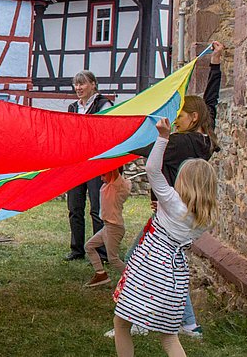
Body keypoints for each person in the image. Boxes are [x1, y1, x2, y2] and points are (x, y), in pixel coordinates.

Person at [106, 41, 225, 339]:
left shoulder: (182, 142)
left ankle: (139, 317)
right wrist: (215, 65)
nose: (176, 118)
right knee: (173, 266)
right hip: (183, 211)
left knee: (142, 259)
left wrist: (115, 138)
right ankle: (189, 323)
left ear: (193, 118)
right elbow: (211, 103)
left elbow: (149, 154)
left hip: (171, 211)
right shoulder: (204, 138)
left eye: (181, 114)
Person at [112, 118, 217, 357]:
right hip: (174, 277)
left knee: (121, 323)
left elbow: (152, 169)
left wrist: (162, 137)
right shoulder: (204, 218)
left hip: (148, 270)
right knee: (169, 338)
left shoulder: (171, 201)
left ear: (185, 181)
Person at [65, 70, 112, 261]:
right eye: (76, 84)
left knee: (97, 209)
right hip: (76, 164)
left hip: (96, 164)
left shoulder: (104, 104)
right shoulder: (73, 107)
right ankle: (77, 250)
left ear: (93, 84)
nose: (78, 88)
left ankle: (101, 252)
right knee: (74, 207)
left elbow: (106, 133)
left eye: (82, 84)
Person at [83, 168, 131, 287]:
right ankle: (101, 274)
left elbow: (114, 167)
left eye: (103, 175)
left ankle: (133, 280)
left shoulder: (116, 186)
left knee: (113, 259)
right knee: (89, 246)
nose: (101, 178)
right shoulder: (109, 186)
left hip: (114, 228)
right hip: (107, 227)